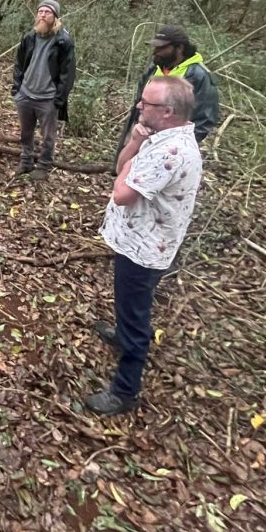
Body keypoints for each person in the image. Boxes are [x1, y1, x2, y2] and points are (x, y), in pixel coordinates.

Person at [87, 76, 203, 416]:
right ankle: (122, 333)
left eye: (146, 103)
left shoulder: (171, 150)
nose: (139, 106)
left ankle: (125, 391)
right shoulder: (157, 136)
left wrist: (128, 167)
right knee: (129, 306)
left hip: (146, 249)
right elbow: (122, 164)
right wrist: (134, 146)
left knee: (137, 316)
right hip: (137, 239)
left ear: (168, 111)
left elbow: (121, 192)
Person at [117, 25, 219, 158]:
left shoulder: (199, 76)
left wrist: (175, 146)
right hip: (141, 136)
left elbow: (204, 119)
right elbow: (139, 104)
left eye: (162, 48)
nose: (155, 52)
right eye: (155, 47)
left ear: (179, 48)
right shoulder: (154, 68)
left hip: (169, 148)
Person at [12, 0, 76, 182]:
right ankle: (26, 161)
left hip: (47, 97)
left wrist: (59, 99)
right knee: (26, 132)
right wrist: (17, 88)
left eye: (47, 12)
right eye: (40, 11)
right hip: (25, 94)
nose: (42, 15)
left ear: (55, 16)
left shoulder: (63, 41)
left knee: (48, 135)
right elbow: (19, 64)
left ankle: (43, 165)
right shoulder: (29, 37)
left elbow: (68, 72)